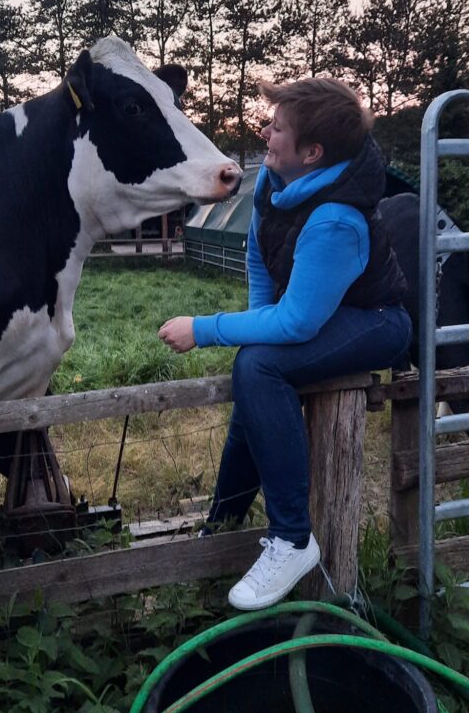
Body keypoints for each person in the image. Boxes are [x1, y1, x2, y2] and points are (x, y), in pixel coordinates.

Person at [158, 77, 411, 611]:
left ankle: (293, 538)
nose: (266, 132)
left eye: (278, 128)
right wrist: (256, 322)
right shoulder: (276, 184)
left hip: (376, 321)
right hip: (326, 312)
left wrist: (204, 329)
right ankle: (221, 526)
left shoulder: (335, 219)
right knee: (256, 374)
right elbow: (258, 260)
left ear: (312, 152)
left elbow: (296, 325)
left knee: (259, 369)